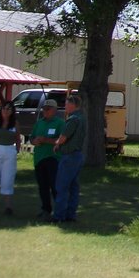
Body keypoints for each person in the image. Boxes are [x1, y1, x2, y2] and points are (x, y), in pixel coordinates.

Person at [52, 94, 86, 223]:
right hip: (78, 155)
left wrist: (57, 144)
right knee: (73, 187)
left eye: (66, 104)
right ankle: (70, 215)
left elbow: (64, 136)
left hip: (69, 156)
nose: (65, 106)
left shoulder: (73, 119)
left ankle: (58, 216)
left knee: (62, 186)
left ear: (73, 104)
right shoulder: (82, 118)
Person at [30, 98, 64, 218]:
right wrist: (34, 141)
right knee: (42, 186)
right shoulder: (39, 122)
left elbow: (62, 141)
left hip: (53, 158)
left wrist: (46, 140)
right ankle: (45, 209)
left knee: (54, 185)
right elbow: (31, 137)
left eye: (48, 109)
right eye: (44, 109)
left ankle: (59, 210)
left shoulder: (60, 123)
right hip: (39, 159)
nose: (45, 111)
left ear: (54, 110)